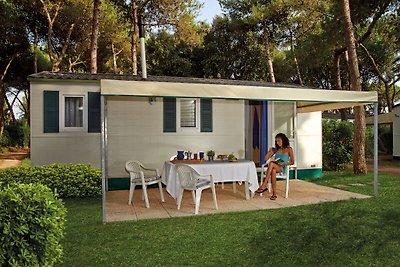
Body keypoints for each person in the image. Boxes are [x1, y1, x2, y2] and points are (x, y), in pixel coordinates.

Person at [256, 133, 294, 200]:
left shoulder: (289, 149)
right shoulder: (276, 149)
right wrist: (269, 152)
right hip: (275, 167)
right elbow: (265, 159)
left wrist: (284, 163)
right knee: (273, 170)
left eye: (279, 141)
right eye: (276, 141)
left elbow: (292, 162)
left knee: (271, 164)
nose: (277, 142)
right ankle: (274, 194)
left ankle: (264, 184)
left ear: (283, 140)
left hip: (282, 168)